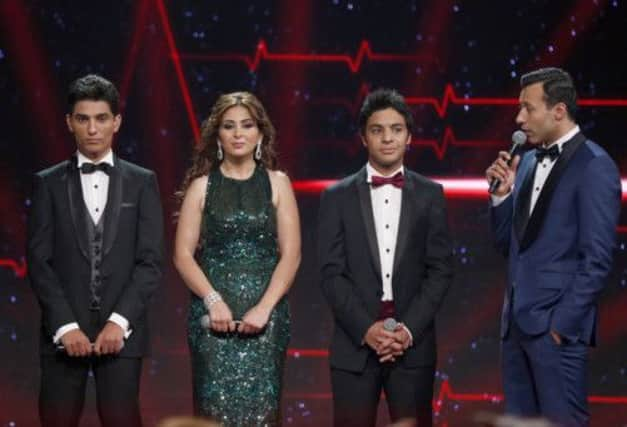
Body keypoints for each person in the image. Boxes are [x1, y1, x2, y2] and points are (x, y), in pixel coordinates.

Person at [486, 67, 621, 426]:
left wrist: (561, 324)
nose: (518, 118)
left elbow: (597, 259)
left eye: (528, 109)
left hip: (555, 332)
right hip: (515, 326)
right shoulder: (527, 161)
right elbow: (510, 245)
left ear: (558, 111)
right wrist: (501, 197)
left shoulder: (594, 165)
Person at [26, 74, 164, 427]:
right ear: (69, 122)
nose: (92, 129)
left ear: (116, 122)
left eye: (101, 118)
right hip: (61, 334)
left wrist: (119, 322)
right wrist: (65, 326)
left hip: (123, 335)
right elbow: (39, 262)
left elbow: (150, 262)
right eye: (83, 119)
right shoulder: (47, 183)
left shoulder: (142, 181)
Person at [317, 88, 454, 427]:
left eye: (396, 129)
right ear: (364, 137)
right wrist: (367, 329)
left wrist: (406, 331)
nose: (387, 138)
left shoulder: (431, 194)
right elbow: (331, 274)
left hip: (413, 347)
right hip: (354, 347)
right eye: (377, 130)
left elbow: (440, 270)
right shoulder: (336, 197)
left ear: (409, 137)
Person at [173, 92, 301, 426]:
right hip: (212, 321)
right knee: (213, 413)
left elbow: (291, 254)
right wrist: (213, 300)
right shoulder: (201, 187)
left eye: (247, 125)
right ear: (217, 135)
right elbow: (183, 256)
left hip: (267, 318)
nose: (238, 133)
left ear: (260, 133)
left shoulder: (278, 183)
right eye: (228, 126)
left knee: (263, 415)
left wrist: (265, 308)